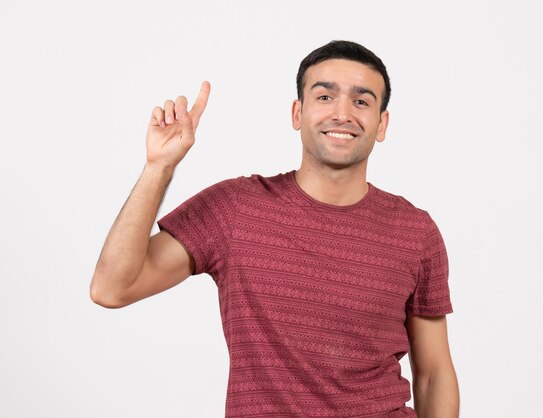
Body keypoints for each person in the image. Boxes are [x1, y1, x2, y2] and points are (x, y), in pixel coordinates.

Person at [90, 40, 459, 417]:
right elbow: (112, 288)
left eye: (361, 102)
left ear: (381, 124)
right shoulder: (235, 209)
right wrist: (159, 168)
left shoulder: (415, 232)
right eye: (325, 97)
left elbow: (432, 374)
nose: (343, 114)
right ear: (297, 113)